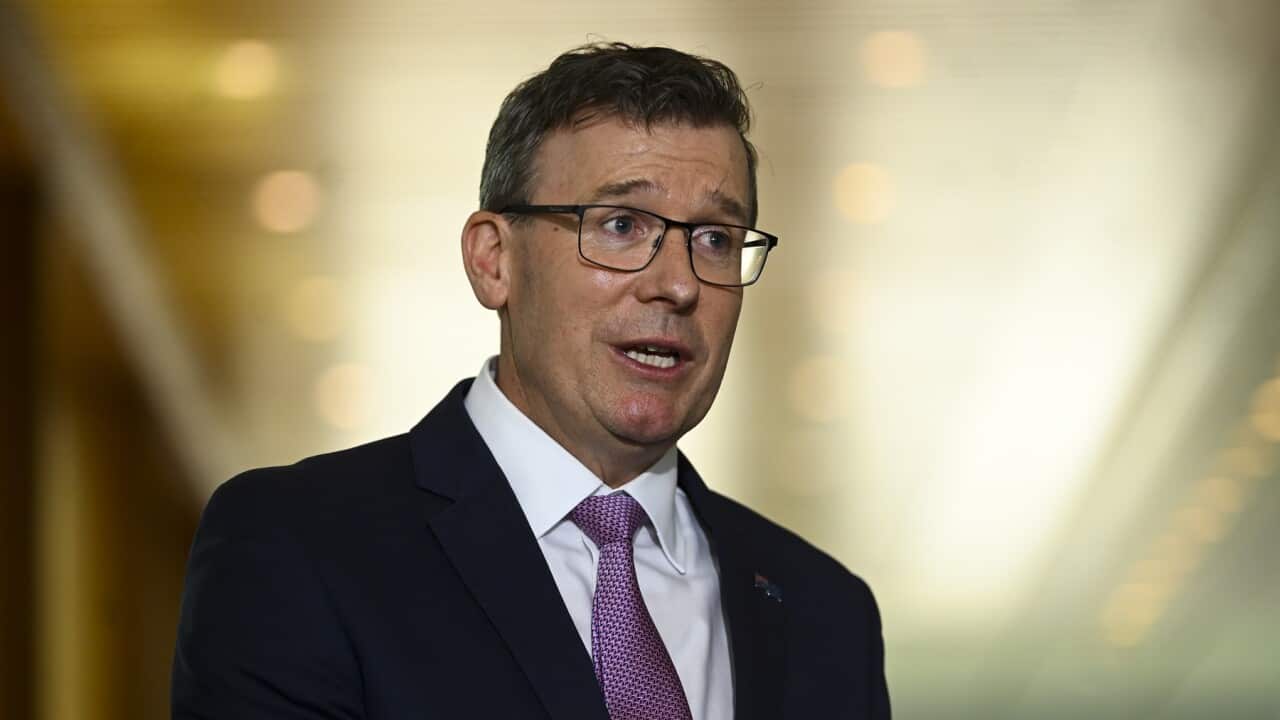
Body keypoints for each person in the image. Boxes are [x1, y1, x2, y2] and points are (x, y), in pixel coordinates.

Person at [171, 42, 890, 720]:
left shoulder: (826, 613)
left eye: (715, 239)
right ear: (494, 260)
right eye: (620, 225)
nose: (677, 284)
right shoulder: (298, 547)